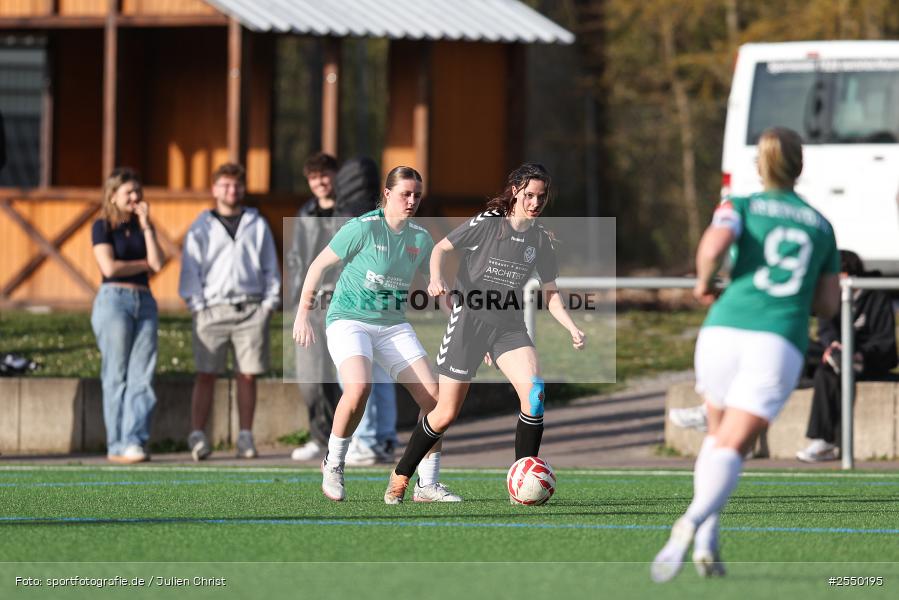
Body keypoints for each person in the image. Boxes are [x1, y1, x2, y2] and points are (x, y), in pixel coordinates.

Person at [651, 127, 840, 583]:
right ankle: (691, 521)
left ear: (760, 166)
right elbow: (829, 306)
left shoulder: (739, 205)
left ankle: (707, 542)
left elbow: (714, 247)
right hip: (776, 339)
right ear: (800, 167)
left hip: (721, 330)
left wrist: (702, 282)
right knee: (733, 446)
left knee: (717, 439)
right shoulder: (820, 224)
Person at [383, 162, 586, 505]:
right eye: (530, 195)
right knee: (445, 412)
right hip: (469, 324)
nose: (536, 202)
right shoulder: (489, 222)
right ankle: (402, 474)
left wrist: (571, 327)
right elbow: (441, 248)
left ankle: (521, 481)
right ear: (516, 191)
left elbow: (550, 293)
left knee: (535, 393)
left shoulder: (540, 240)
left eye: (542, 196)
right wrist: (436, 278)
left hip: (508, 327)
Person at [292, 166, 458, 502]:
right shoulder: (362, 227)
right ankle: (334, 464)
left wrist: (459, 320)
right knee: (359, 388)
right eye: (404, 194)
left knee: (436, 401)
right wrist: (302, 314)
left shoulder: (420, 238)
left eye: (416, 195)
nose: (411, 201)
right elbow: (317, 266)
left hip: (392, 325)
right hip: (348, 319)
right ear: (387, 195)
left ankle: (427, 484)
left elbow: (438, 287)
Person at [287, 154, 399, 465]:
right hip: (331, 300)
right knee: (334, 375)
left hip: (348, 300)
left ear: (340, 178)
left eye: (326, 175)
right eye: (314, 176)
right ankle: (375, 438)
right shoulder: (311, 213)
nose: (321, 182)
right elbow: (299, 261)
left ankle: (369, 440)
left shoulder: (355, 213)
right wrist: (300, 303)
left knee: (354, 373)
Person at [179, 163, 281, 461]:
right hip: (212, 308)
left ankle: (245, 437)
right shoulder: (201, 225)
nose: (231, 190)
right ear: (214, 189)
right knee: (206, 374)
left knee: (247, 375)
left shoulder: (256, 223)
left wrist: (268, 304)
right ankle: (198, 435)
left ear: (243, 188)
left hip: (251, 307)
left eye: (236, 185)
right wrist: (197, 307)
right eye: (224, 185)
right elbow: (190, 269)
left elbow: (269, 267)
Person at [90, 168, 164, 463]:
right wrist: (142, 263)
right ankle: (116, 443)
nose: (135, 197)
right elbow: (109, 268)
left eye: (137, 192)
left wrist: (146, 226)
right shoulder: (102, 225)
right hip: (114, 300)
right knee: (116, 373)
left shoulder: (144, 225)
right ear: (113, 196)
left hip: (145, 300)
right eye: (128, 192)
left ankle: (135, 440)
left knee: (142, 375)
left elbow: (157, 263)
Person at [797, 250, 897, 462]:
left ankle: (824, 441)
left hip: (867, 360)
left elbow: (885, 343)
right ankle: (838, 360)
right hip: (835, 355)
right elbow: (825, 328)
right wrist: (832, 346)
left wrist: (857, 354)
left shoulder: (876, 298)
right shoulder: (831, 295)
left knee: (826, 373)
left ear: (847, 274)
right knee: (799, 348)